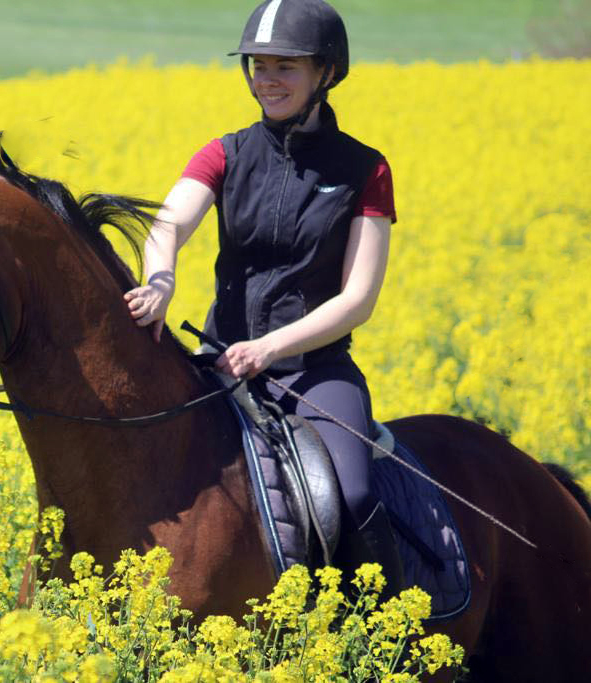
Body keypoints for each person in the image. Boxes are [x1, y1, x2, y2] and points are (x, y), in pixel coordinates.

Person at [123, 0, 404, 593]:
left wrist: (270, 348)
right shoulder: (223, 153)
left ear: (325, 73)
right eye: (258, 65)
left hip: (313, 371)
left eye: (286, 66)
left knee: (352, 494)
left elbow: (357, 299)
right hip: (219, 361)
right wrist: (160, 282)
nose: (267, 79)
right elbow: (168, 226)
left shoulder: (365, 170)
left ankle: (383, 626)